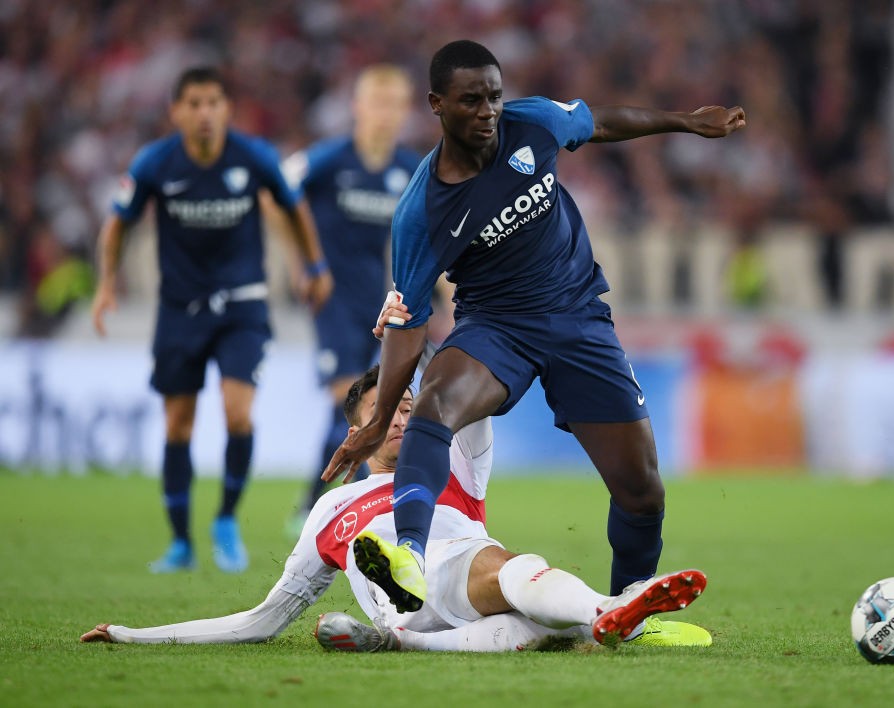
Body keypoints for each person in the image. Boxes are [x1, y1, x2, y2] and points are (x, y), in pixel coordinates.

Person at [322, 40, 746, 610]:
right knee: (434, 405)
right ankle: (411, 556)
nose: (487, 112)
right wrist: (377, 424)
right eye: (470, 101)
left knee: (642, 491)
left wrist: (686, 123)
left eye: (494, 97)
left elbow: (599, 123)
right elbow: (408, 323)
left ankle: (629, 607)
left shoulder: (534, 124)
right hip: (497, 327)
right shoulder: (422, 211)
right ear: (437, 105)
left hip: (579, 318)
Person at [79, 304, 711, 651]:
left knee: (524, 588)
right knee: (534, 610)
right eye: (388, 411)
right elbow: (261, 621)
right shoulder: (330, 510)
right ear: (359, 433)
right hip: (423, 595)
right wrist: (135, 635)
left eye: (411, 405)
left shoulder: (455, 456)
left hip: (463, 578)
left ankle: (601, 614)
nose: (407, 415)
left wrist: (411, 323)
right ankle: (606, 616)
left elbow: (461, 375)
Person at [90, 66, 333, 574]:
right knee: (178, 423)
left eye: (214, 102)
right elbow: (118, 224)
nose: (205, 113)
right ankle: (180, 543)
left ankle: (225, 519)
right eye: (194, 103)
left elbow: (294, 208)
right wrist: (108, 283)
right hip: (180, 309)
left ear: (227, 109)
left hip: (243, 306)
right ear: (177, 111)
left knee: (237, 413)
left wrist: (313, 265)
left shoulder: (254, 156)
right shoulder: (156, 163)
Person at [273, 65, 423, 538]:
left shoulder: (408, 168)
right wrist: (304, 261)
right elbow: (274, 193)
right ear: (357, 108)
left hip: (380, 302)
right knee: (349, 397)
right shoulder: (330, 159)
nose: (384, 115)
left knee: (364, 404)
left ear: (404, 112)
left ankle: (314, 503)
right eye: (376, 103)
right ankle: (361, 509)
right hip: (331, 297)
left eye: (393, 105)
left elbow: (430, 229)